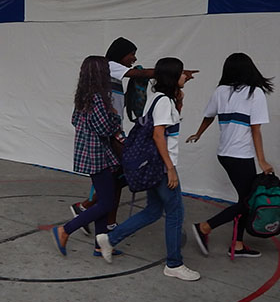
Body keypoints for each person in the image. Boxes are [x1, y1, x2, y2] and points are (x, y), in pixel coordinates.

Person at [69, 38, 197, 233]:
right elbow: (141, 73)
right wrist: (171, 72)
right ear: (120, 54)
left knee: (118, 178)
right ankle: (86, 214)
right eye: (131, 54)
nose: (134, 58)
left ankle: (96, 216)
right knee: (121, 175)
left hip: (114, 131)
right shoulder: (110, 67)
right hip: (111, 135)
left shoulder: (109, 81)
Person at [97, 57, 200, 282]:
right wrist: (170, 169)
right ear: (172, 77)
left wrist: (180, 100)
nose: (185, 76)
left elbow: (169, 126)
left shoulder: (161, 98)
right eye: (181, 73)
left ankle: (110, 239)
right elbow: (158, 135)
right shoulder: (163, 102)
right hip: (161, 166)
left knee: (153, 210)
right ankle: (174, 263)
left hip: (157, 165)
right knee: (175, 213)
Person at [186, 53, 273, 259]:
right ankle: (205, 227)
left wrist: (198, 133)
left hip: (224, 154)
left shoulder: (221, 91)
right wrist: (262, 160)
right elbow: (256, 130)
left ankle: (238, 244)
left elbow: (209, 116)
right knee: (248, 201)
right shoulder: (255, 93)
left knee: (245, 199)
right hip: (240, 155)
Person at [52, 56, 124, 257]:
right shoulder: (98, 98)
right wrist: (115, 116)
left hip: (88, 153)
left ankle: (100, 245)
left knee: (103, 198)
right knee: (106, 203)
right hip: (98, 155)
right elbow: (104, 128)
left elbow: (75, 120)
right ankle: (65, 230)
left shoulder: (83, 96)